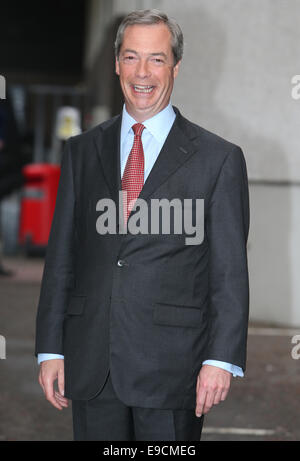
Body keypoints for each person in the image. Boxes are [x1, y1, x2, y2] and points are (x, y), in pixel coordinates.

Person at [35, 9, 249, 441]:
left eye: (156, 59)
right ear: (116, 64)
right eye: (131, 57)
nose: (142, 72)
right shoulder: (81, 152)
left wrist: (220, 359)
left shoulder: (218, 159)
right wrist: (51, 347)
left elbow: (228, 272)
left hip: (174, 367)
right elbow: (62, 258)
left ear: (176, 66)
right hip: (92, 362)